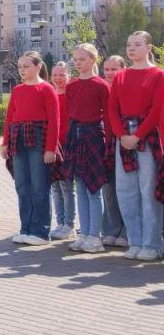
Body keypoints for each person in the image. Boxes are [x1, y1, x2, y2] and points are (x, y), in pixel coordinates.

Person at [108, 31, 163, 261]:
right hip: (123, 138)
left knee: (148, 191)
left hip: (147, 138)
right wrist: (122, 135)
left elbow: (158, 109)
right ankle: (135, 241)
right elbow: (112, 107)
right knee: (126, 191)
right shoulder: (120, 76)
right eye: (129, 44)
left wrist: (137, 135)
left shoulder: (158, 75)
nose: (131, 49)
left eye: (137, 45)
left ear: (149, 47)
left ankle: (152, 244)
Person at [2, 51, 59, 246]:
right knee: (22, 186)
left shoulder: (47, 89)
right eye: (20, 66)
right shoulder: (17, 90)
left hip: (38, 138)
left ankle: (41, 232)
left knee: (39, 187)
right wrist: (5, 143)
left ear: (38, 66)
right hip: (18, 138)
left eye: (26, 66)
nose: (22, 70)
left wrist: (50, 148)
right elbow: (9, 118)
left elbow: (54, 120)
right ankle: (25, 229)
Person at [61, 44, 111, 253]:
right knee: (80, 187)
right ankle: (84, 234)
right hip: (76, 136)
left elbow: (107, 116)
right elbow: (70, 113)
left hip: (94, 136)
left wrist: (108, 145)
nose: (78, 63)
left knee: (94, 188)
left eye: (82, 59)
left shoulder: (101, 85)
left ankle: (95, 237)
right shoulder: (71, 86)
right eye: (75, 59)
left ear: (93, 60)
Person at [100, 54, 127, 247]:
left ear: (123, 69)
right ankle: (111, 229)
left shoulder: (126, 88)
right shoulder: (103, 88)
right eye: (107, 69)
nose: (110, 73)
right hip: (105, 144)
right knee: (108, 189)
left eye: (114, 69)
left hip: (124, 142)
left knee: (125, 189)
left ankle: (126, 231)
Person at [48, 62, 75, 240]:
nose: (58, 78)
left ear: (69, 75)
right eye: (55, 75)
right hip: (52, 147)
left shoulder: (72, 95)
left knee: (66, 187)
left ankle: (69, 225)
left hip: (67, 147)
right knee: (55, 187)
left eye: (62, 75)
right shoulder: (50, 94)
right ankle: (60, 223)